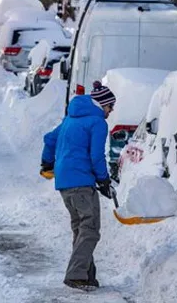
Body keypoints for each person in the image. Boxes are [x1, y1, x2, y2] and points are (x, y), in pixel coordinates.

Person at [40, 80, 116, 292]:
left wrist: (47, 163)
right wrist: (103, 178)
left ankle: (87, 275)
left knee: (81, 228)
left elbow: (49, 139)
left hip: (64, 182)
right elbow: (96, 155)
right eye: (110, 106)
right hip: (81, 181)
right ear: (102, 105)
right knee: (90, 229)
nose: (111, 111)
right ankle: (75, 275)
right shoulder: (97, 122)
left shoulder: (70, 119)